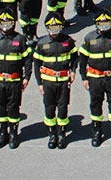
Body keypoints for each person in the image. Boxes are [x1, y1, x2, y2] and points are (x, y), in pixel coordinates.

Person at [0, 12, 32, 149]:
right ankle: (2, 134)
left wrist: (27, 77)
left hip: (14, 81)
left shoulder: (20, 39)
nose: (6, 27)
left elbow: (28, 60)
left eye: (8, 23)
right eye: (3, 23)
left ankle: (13, 134)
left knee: (13, 107)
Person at [79, 12, 111, 147]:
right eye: (102, 23)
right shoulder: (89, 38)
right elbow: (82, 60)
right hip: (95, 78)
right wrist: (84, 77)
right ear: (96, 24)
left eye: (107, 23)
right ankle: (96, 132)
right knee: (95, 104)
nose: (105, 26)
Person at [33, 15, 78, 149]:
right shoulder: (42, 44)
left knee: (63, 107)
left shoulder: (68, 41)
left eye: (57, 27)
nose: (54, 31)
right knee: (49, 107)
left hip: (63, 81)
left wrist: (73, 71)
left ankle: (62, 134)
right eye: (51, 28)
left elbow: (75, 58)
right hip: (48, 82)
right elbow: (36, 64)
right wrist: (40, 84)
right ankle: (52, 135)